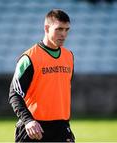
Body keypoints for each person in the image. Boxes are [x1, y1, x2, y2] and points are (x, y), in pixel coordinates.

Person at [9, 9, 75, 142]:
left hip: (61, 127)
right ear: (46, 28)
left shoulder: (69, 56)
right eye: (59, 29)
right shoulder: (29, 58)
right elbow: (15, 94)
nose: (64, 34)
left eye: (67, 30)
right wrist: (28, 121)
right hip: (34, 128)